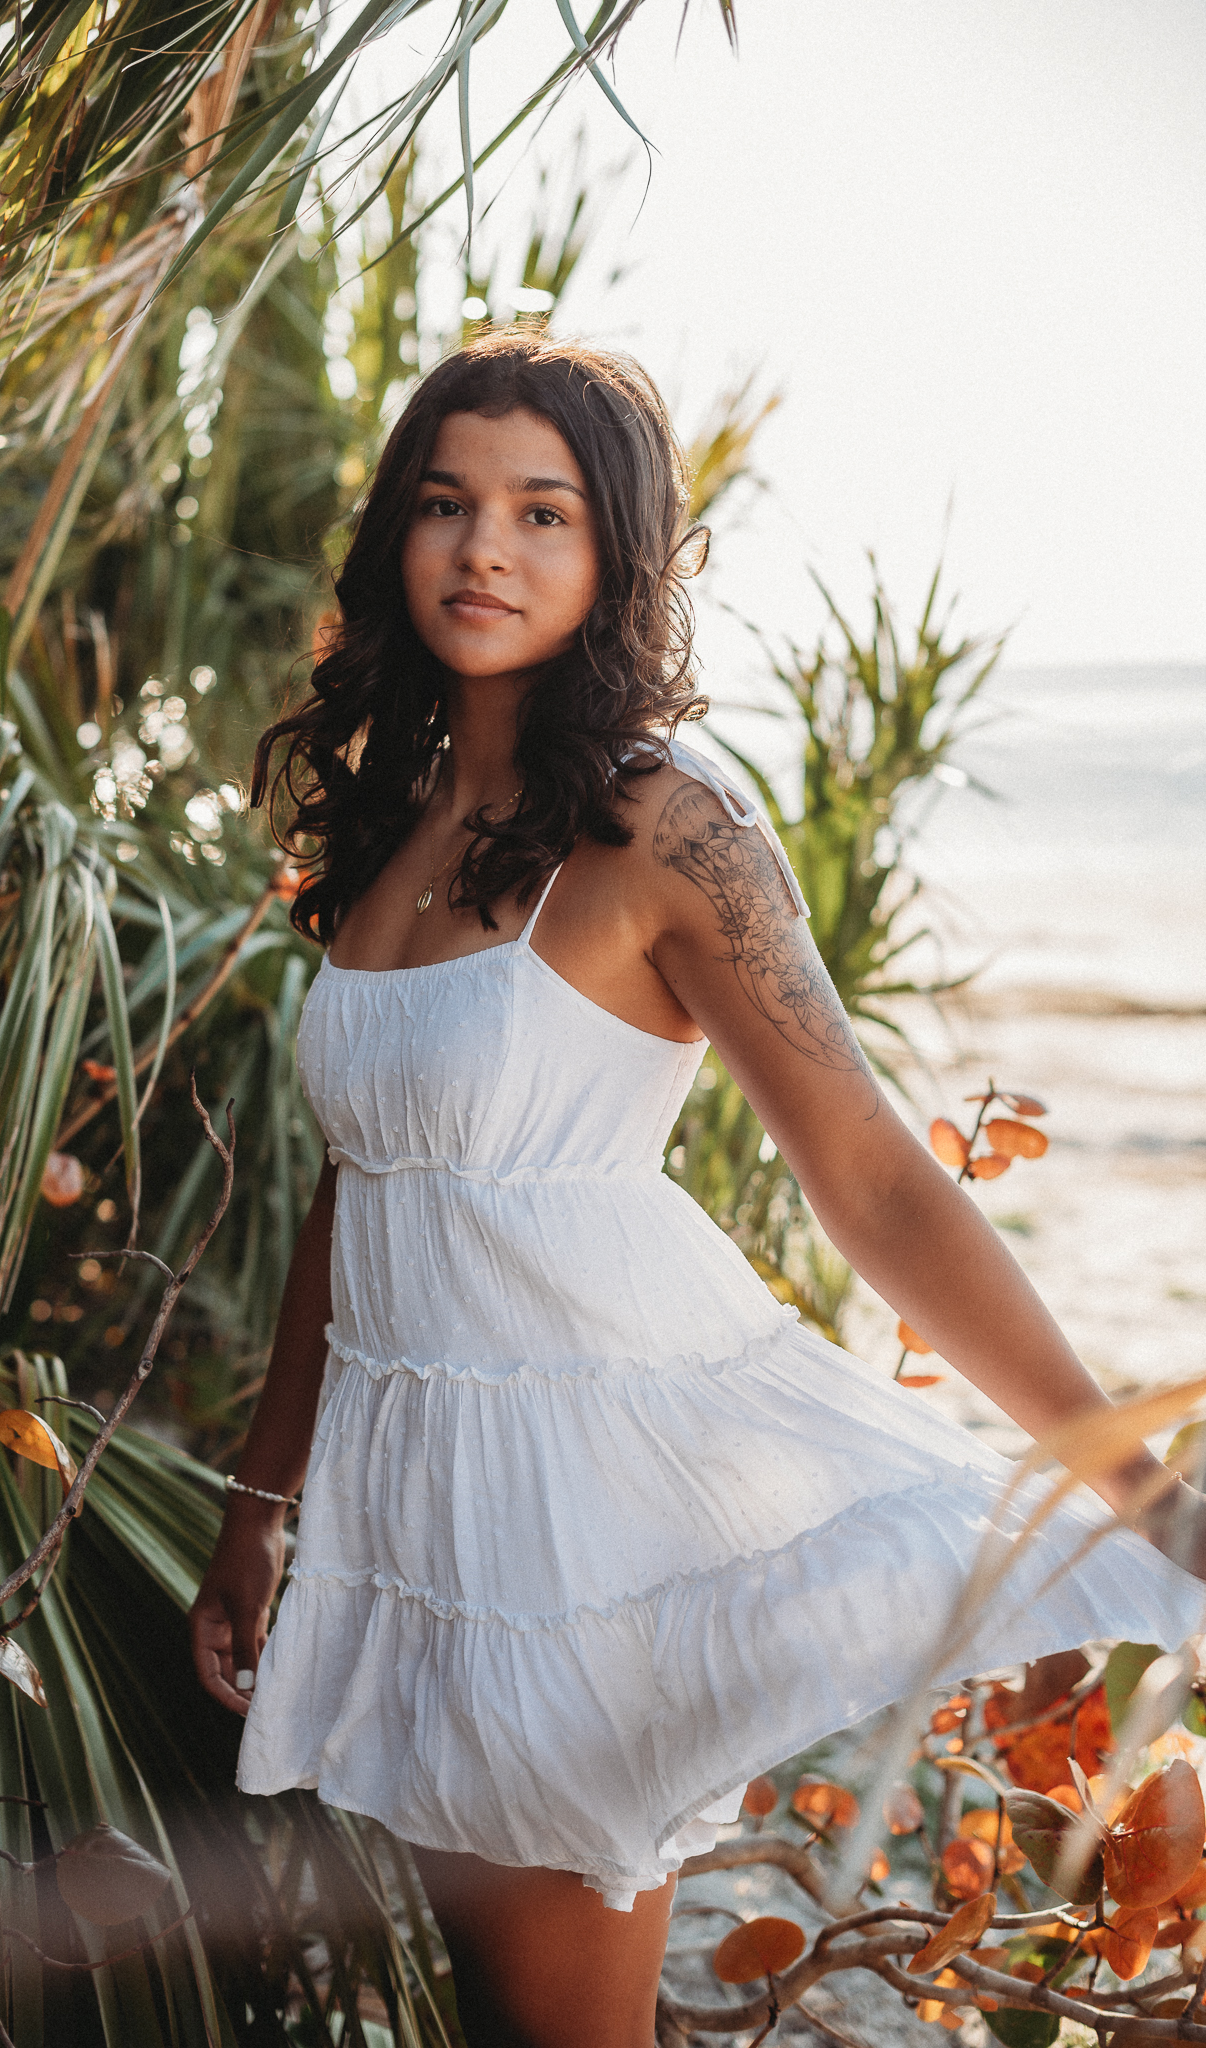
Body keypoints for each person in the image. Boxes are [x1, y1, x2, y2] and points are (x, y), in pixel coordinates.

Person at [190, 329, 1206, 2048]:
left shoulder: (667, 830)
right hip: (422, 1517)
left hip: (588, 1534)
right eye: (446, 505)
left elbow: (875, 1178)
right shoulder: (399, 823)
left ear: (616, 556)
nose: (485, 549)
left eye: (542, 512)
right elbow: (362, 1196)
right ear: (395, 539)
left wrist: (1113, 1469)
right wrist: (259, 1497)